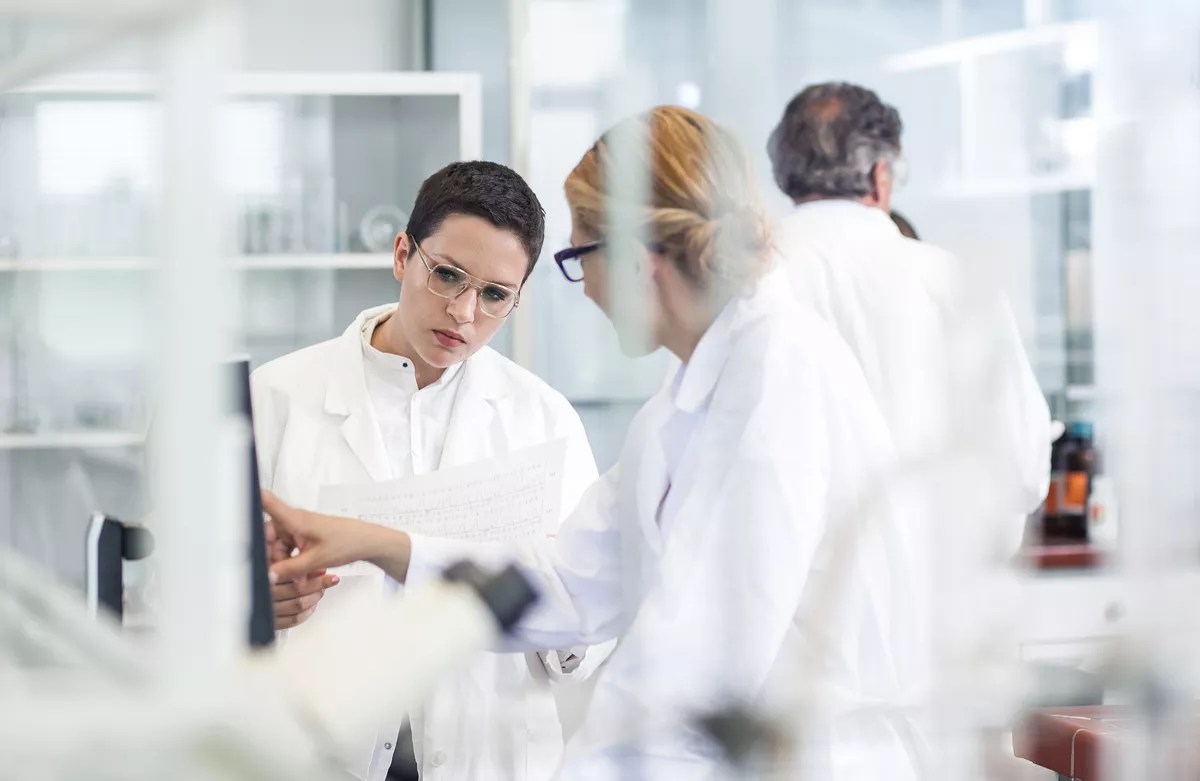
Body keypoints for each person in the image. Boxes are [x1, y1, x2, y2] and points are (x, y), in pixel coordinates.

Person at [264, 106, 928, 780]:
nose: (585, 293)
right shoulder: (691, 395)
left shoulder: (776, 381)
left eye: (579, 259)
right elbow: (567, 580)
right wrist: (379, 543)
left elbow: (692, 672)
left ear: (638, 263)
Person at [251, 161, 608, 781]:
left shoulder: (543, 420)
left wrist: (559, 592)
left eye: (496, 294)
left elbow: (589, 632)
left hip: (486, 752)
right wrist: (257, 600)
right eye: (447, 275)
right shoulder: (275, 399)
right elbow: (186, 595)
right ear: (402, 255)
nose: (465, 313)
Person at [767, 82, 1051, 549]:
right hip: (932, 595)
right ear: (881, 174)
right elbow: (1020, 465)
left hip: (790, 604)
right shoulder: (949, 281)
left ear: (786, 173)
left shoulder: (742, 282)